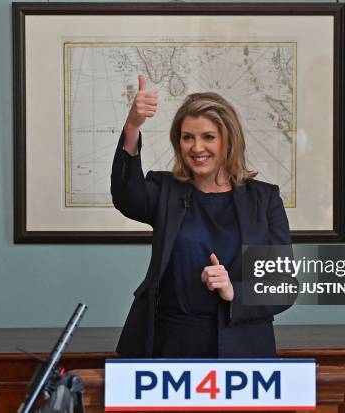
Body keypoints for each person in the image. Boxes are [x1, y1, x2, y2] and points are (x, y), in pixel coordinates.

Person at [111, 75, 293, 358]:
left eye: (208, 137)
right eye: (187, 137)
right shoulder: (165, 191)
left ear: (228, 140)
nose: (196, 148)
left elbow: (282, 287)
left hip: (244, 347)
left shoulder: (264, 200)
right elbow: (126, 196)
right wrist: (132, 126)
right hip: (173, 344)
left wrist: (235, 290)